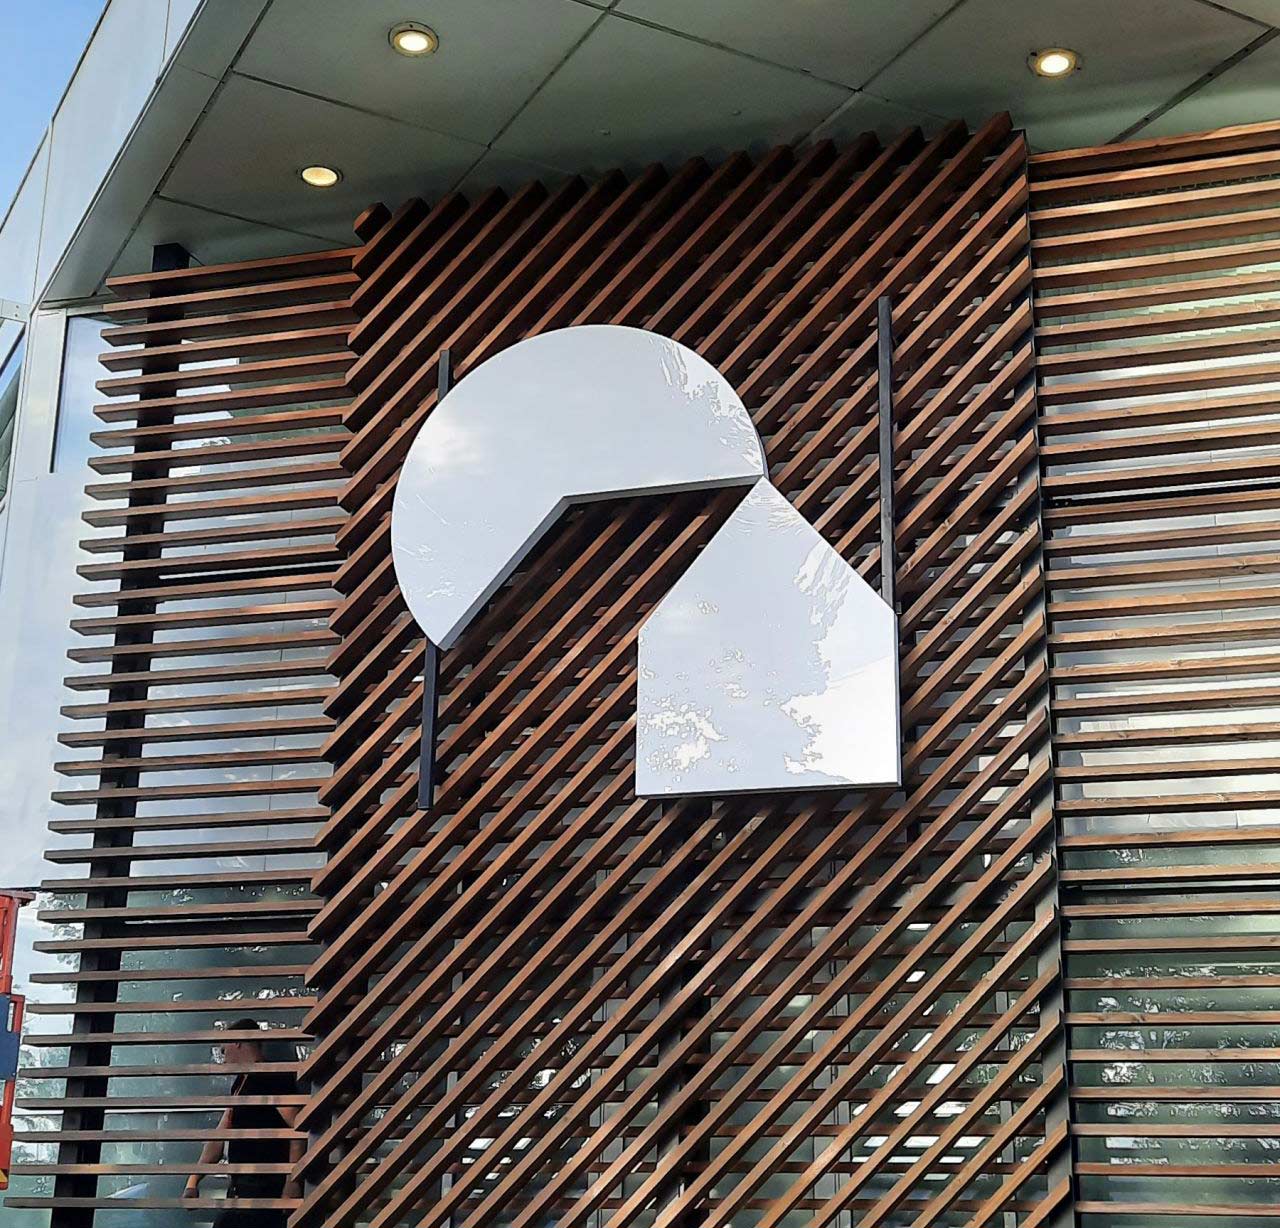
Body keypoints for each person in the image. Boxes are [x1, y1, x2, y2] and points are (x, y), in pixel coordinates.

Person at [183, 1018, 303, 1226]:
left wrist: (292, 1182)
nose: (223, 1057)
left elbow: (298, 1127)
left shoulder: (270, 1077)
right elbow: (219, 1137)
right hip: (242, 1192)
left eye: (223, 1050)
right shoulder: (242, 1082)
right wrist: (193, 1181)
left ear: (237, 1042)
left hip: (264, 1192)